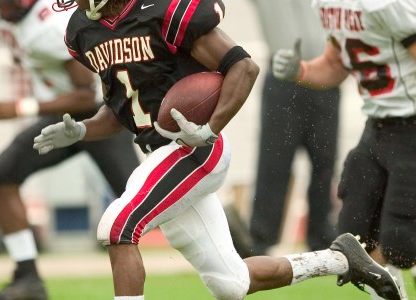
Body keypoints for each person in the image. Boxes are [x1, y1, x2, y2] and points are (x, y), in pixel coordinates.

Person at [33, 0, 402, 299]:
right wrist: (82, 129)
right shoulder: (83, 29)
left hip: (195, 150)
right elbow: (120, 112)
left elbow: (244, 66)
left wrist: (210, 128)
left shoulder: (165, 9)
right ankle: (341, 260)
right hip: (160, 156)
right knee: (231, 283)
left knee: (117, 225)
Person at [0, 0, 140, 299]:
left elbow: (85, 96)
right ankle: (27, 279)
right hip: (60, 121)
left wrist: (23, 106)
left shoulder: (51, 27)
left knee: (149, 202)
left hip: (97, 120)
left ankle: (232, 243)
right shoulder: (21, 22)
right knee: (3, 175)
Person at [272, 0, 416, 298]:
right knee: (354, 239)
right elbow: (335, 64)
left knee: (402, 241)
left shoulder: (386, 5)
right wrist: (299, 70)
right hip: (376, 126)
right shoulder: (329, 4)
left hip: (412, 127)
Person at [248, 0, 340, 256]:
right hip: (283, 78)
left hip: (326, 77)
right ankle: (261, 241)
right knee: (273, 163)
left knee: (325, 164)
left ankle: (322, 240)